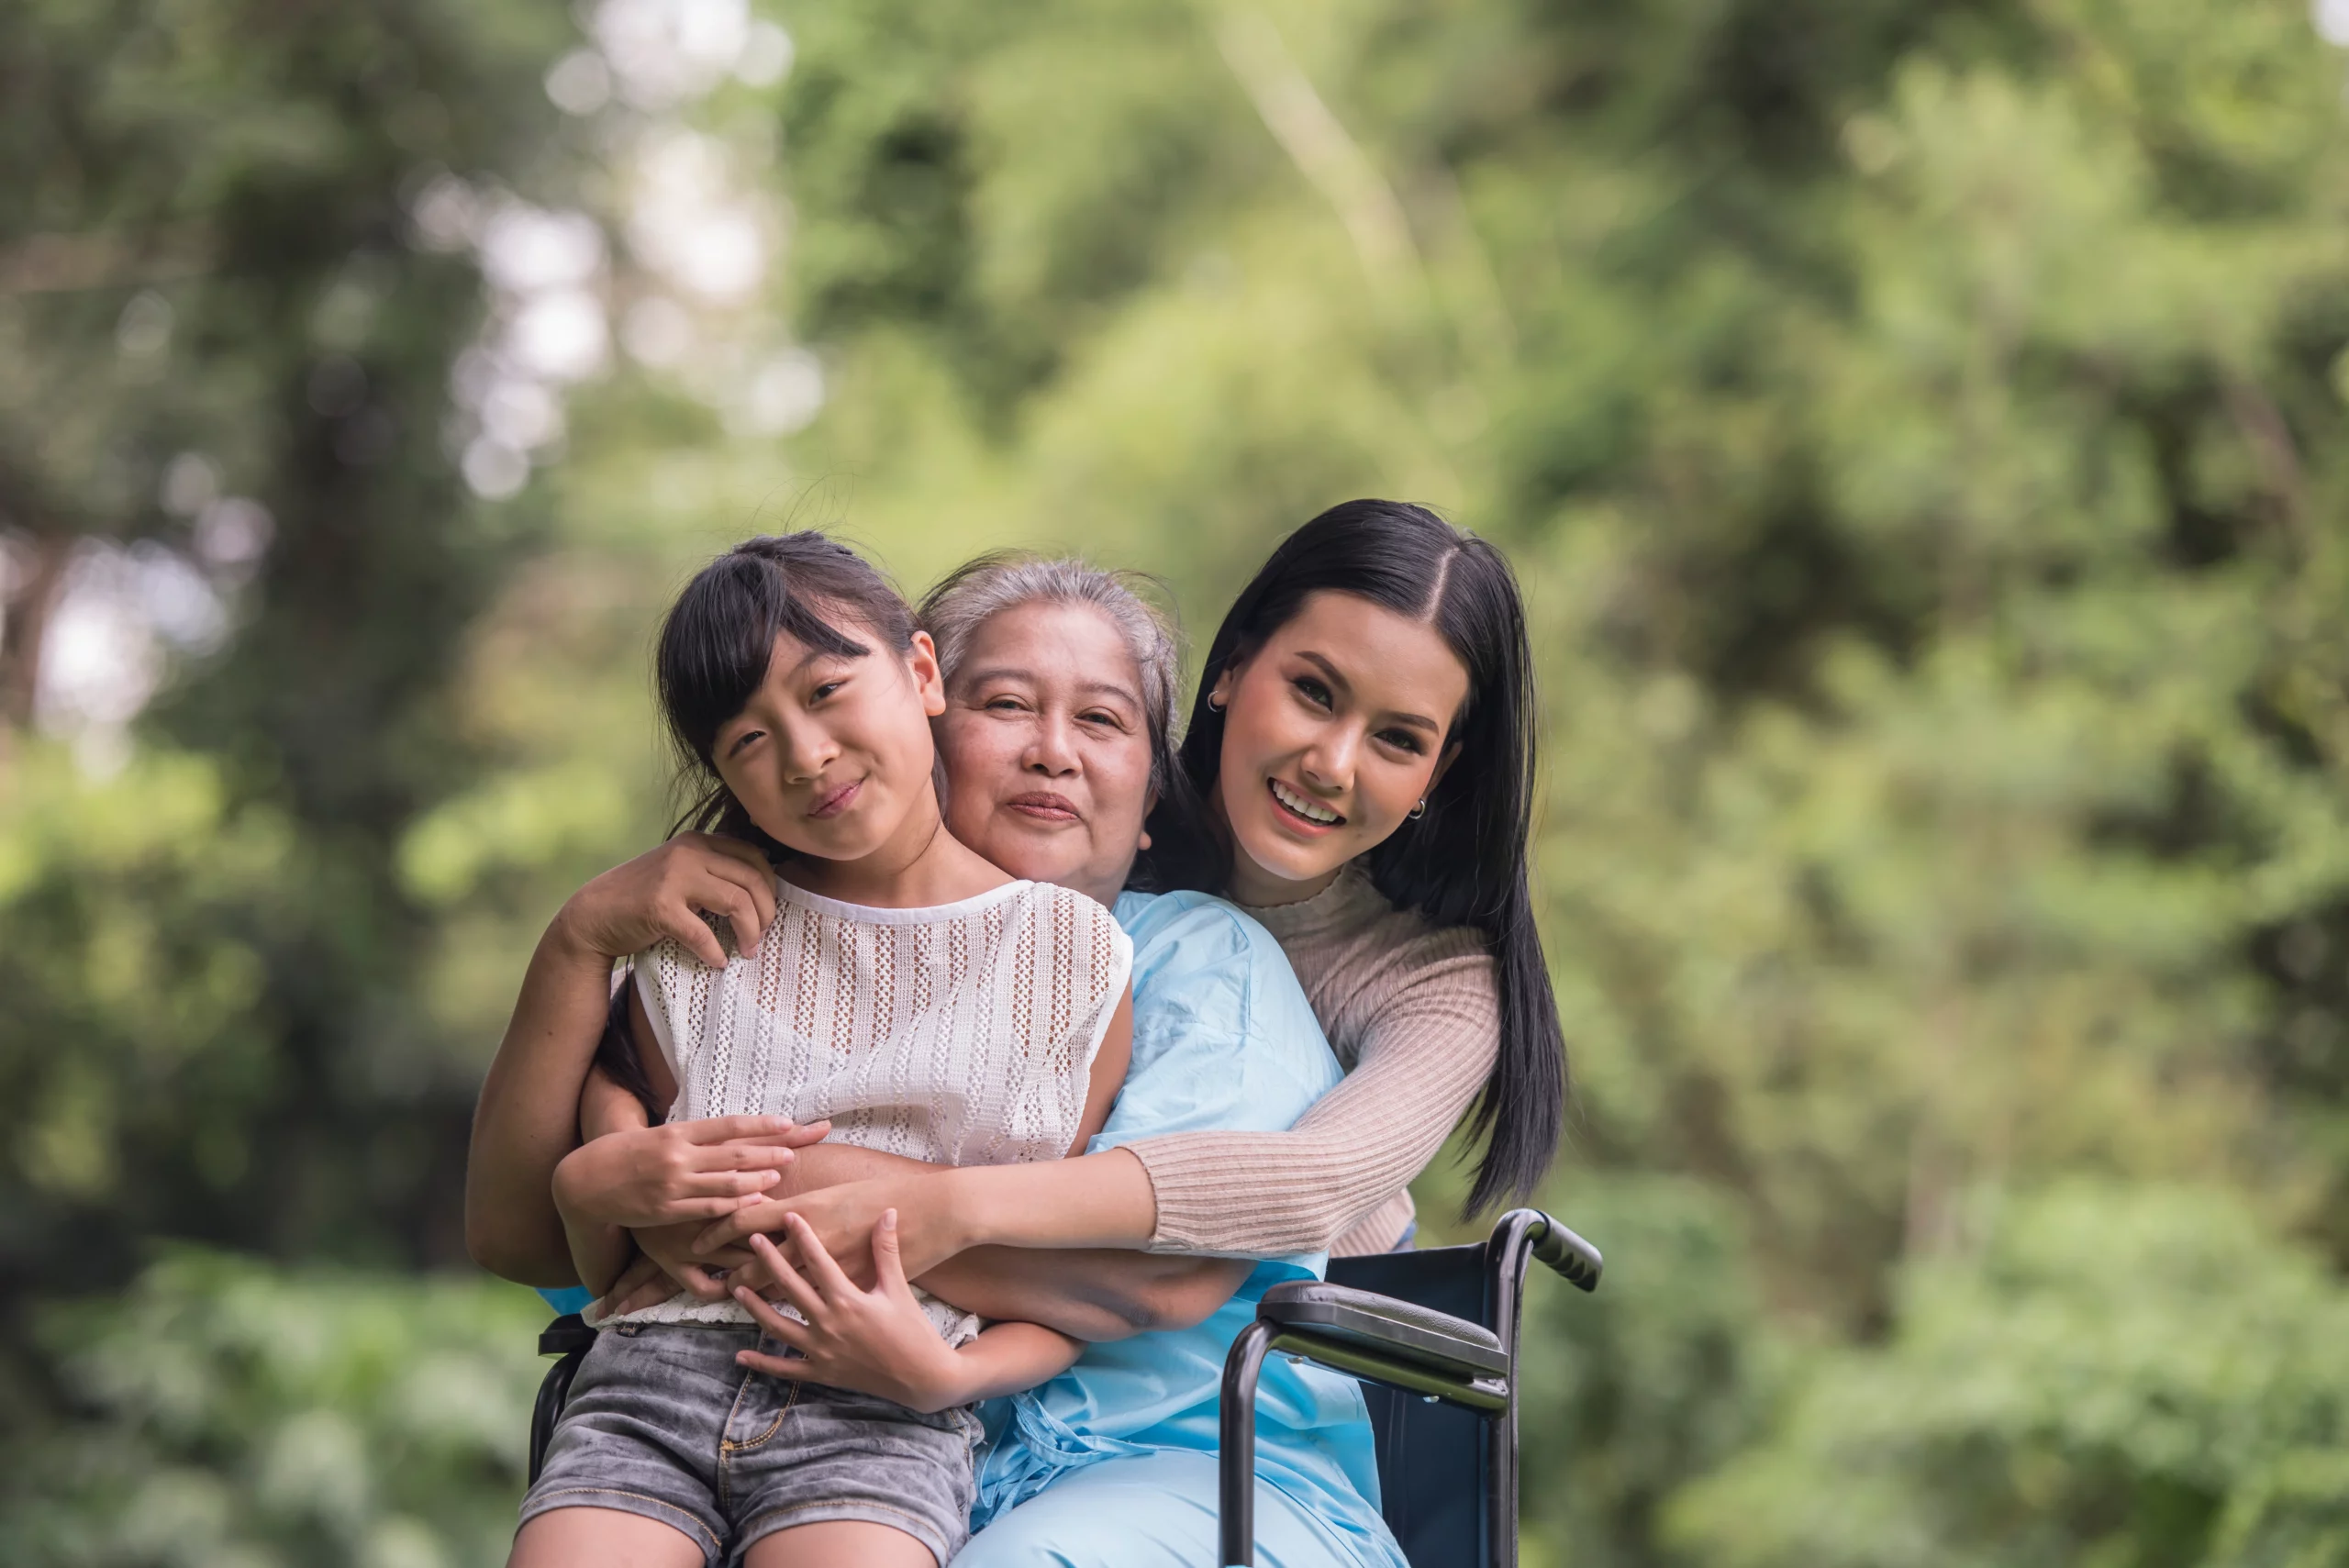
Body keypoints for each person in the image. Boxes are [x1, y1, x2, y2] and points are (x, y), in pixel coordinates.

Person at [503, 533, 1137, 1568]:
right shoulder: (698, 936)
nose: (805, 754)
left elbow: (1064, 1285)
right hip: (648, 1385)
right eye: (749, 741)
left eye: (828, 690)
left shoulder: (1068, 958)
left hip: (882, 1409)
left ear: (922, 673)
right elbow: (621, 1254)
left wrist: (946, 1376)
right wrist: (593, 1183)